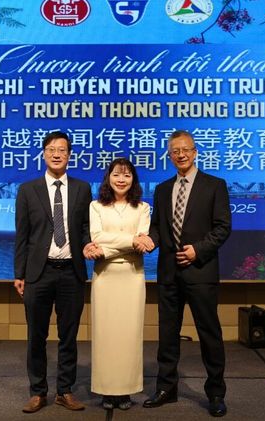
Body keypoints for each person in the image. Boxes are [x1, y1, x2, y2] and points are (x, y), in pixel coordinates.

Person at [144, 130, 232, 417]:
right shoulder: (162, 189)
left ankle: (216, 393)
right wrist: (150, 240)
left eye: (185, 150)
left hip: (201, 271)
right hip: (168, 274)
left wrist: (198, 250)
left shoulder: (215, 185)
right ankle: (166, 388)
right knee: (167, 334)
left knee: (209, 334)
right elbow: (157, 227)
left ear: (195, 152)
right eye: (175, 151)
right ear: (169, 156)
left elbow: (223, 227)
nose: (180, 154)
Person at [13, 132, 95, 414]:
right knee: (36, 336)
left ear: (69, 155)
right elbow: (22, 235)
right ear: (44, 154)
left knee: (68, 336)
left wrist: (88, 245)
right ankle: (37, 392)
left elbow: (85, 228)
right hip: (39, 273)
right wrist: (19, 273)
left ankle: (65, 391)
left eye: (62, 150)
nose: (56, 154)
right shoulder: (27, 190)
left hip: (71, 272)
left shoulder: (82, 188)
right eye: (51, 149)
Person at [84, 158, 154, 411]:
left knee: (129, 335)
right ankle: (106, 390)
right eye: (116, 174)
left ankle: (125, 391)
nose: (121, 179)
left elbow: (142, 243)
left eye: (127, 175)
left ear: (133, 179)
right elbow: (97, 236)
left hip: (132, 277)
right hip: (105, 277)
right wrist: (131, 241)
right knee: (105, 335)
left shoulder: (143, 208)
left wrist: (105, 249)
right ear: (108, 178)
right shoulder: (96, 206)